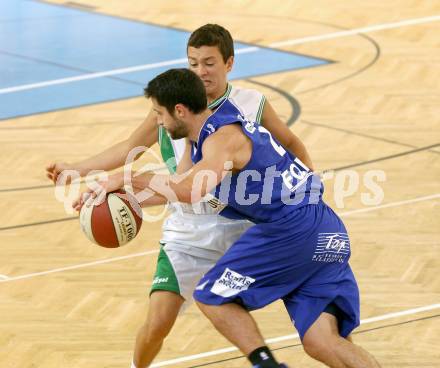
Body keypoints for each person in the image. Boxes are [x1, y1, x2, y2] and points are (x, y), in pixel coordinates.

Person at [46, 24, 313, 368]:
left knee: (303, 299)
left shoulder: (252, 103)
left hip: (242, 226)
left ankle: (303, 346)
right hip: (188, 230)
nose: (201, 72)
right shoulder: (170, 108)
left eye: (209, 63)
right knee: (157, 323)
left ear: (229, 63)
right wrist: (77, 169)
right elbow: (131, 148)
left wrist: (306, 185)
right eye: (193, 63)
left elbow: (290, 143)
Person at [84, 68, 381, 368]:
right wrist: (119, 194)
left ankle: (267, 365)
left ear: (180, 111)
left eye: (159, 114)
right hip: (325, 227)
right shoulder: (207, 135)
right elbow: (184, 192)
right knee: (323, 341)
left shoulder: (222, 138)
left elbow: (188, 189)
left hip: (293, 229)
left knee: (212, 296)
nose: (158, 122)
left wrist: (128, 176)